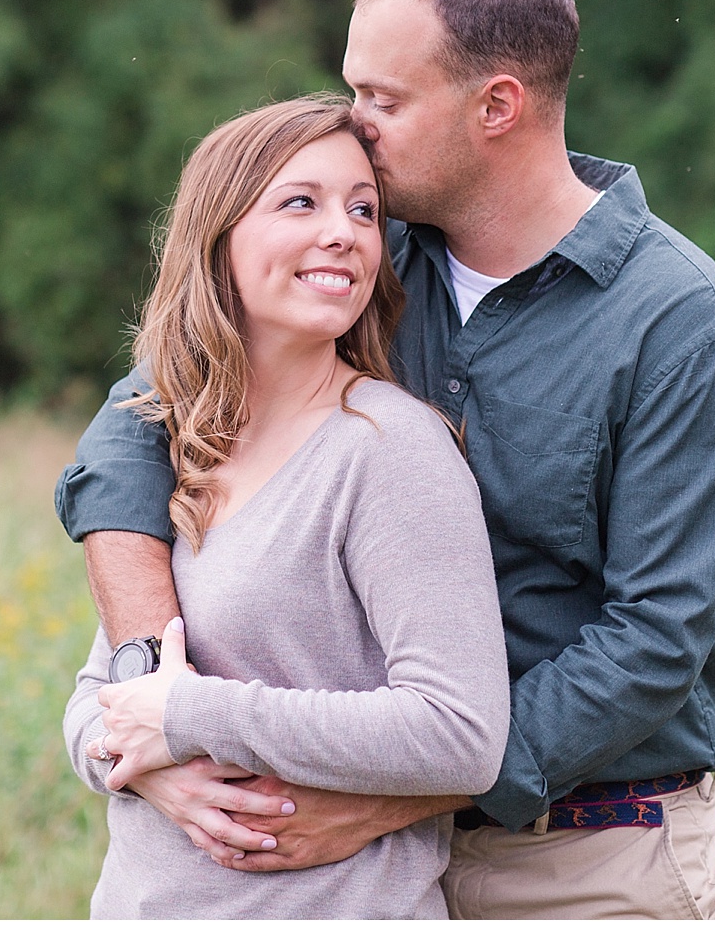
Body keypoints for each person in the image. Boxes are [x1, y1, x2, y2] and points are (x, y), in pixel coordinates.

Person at [56, 0, 715, 919]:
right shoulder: (355, 250)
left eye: (385, 99)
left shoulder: (682, 325)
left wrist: (400, 794)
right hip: (352, 862)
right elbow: (131, 435)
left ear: (497, 107)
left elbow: (652, 638)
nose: (355, 123)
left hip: (586, 852)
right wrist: (146, 714)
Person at [59, 94, 510, 919]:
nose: (343, 230)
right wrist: (154, 767)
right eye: (299, 202)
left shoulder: (386, 448)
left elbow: (460, 734)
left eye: (364, 210)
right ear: (218, 235)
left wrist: (191, 715)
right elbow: (97, 698)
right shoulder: (187, 443)